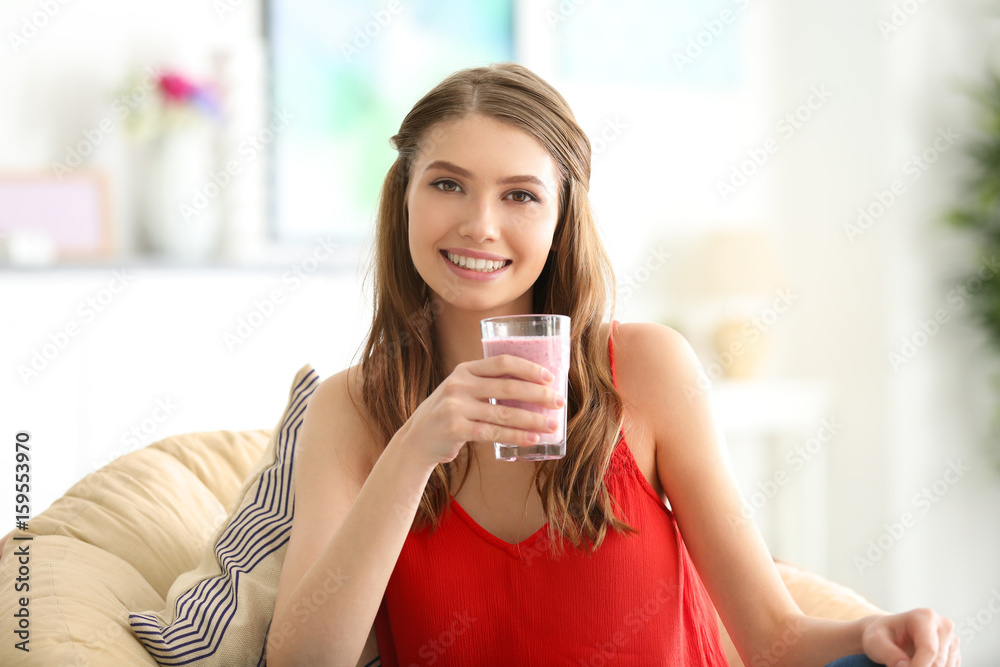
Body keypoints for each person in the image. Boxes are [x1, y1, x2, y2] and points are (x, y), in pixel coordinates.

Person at [266, 62, 960, 667]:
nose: (480, 223)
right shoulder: (352, 409)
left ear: (562, 215)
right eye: (447, 184)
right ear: (404, 196)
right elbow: (302, 660)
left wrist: (873, 629)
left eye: (520, 194)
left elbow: (773, 637)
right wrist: (415, 447)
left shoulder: (648, 367)